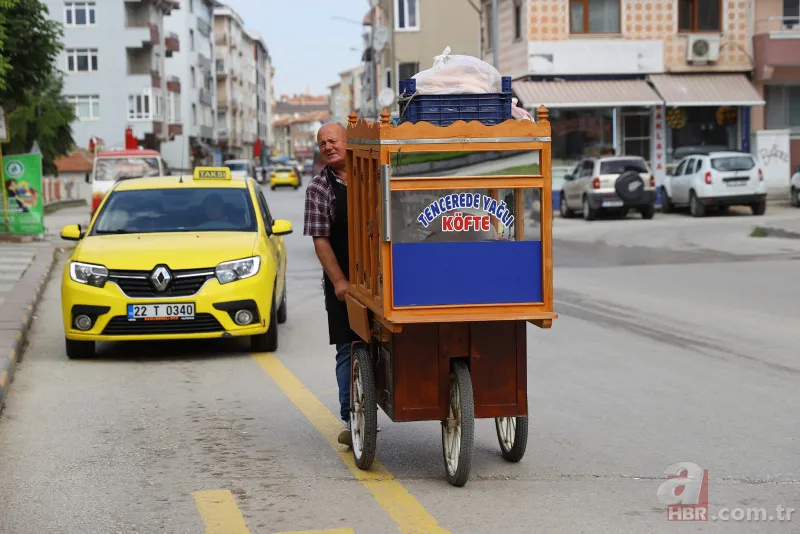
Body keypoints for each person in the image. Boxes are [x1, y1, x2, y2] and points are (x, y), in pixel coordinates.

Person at [303, 122, 362, 447]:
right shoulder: (319, 188)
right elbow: (321, 240)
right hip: (343, 282)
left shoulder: (373, 171)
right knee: (348, 348)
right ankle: (352, 418)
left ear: (348, 141)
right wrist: (339, 281)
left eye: (333, 140)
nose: (328, 146)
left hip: (381, 279)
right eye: (322, 143)